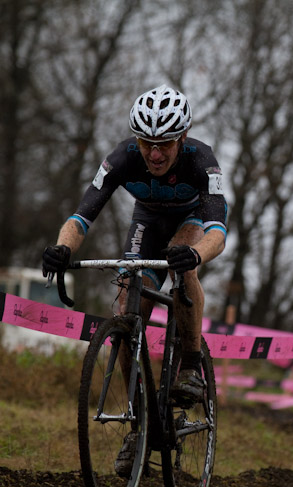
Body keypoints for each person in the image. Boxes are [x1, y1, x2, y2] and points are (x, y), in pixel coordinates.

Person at [41, 84, 227, 477]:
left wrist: (195, 253)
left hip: (190, 223)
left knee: (181, 265)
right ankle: (140, 421)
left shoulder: (202, 161)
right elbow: (81, 217)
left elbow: (217, 232)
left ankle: (191, 364)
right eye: (146, 144)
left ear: (183, 138)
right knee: (128, 302)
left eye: (164, 144)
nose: (154, 154)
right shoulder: (121, 159)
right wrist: (62, 248)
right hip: (146, 222)